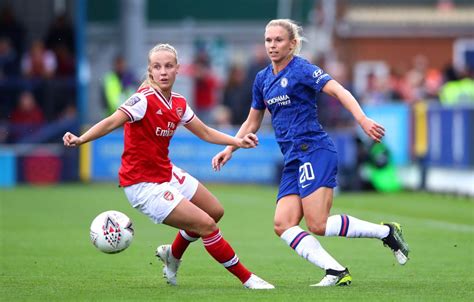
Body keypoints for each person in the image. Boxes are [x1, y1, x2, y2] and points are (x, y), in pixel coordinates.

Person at [212, 19, 410, 287]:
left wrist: (362, 120)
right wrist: (229, 148)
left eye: (278, 40)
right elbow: (252, 121)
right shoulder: (262, 79)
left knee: (318, 224)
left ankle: (386, 232)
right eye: (268, 40)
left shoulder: (302, 69)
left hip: (315, 150)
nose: (272, 45)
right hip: (293, 158)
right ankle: (336, 270)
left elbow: (338, 90)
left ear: (293, 44)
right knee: (283, 224)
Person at [63, 43, 273, 290]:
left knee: (214, 211)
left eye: (168, 66)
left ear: (178, 70)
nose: (163, 71)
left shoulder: (179, 103)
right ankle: (248, 278)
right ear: (150, 71)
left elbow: (204, 132)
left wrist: (236, 141)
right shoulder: (142, 100)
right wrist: (81, 139)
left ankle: (172, 255)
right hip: (142, 184)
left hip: (166, 172)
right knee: (206, 225)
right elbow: (111, 122)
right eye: (157, 67)